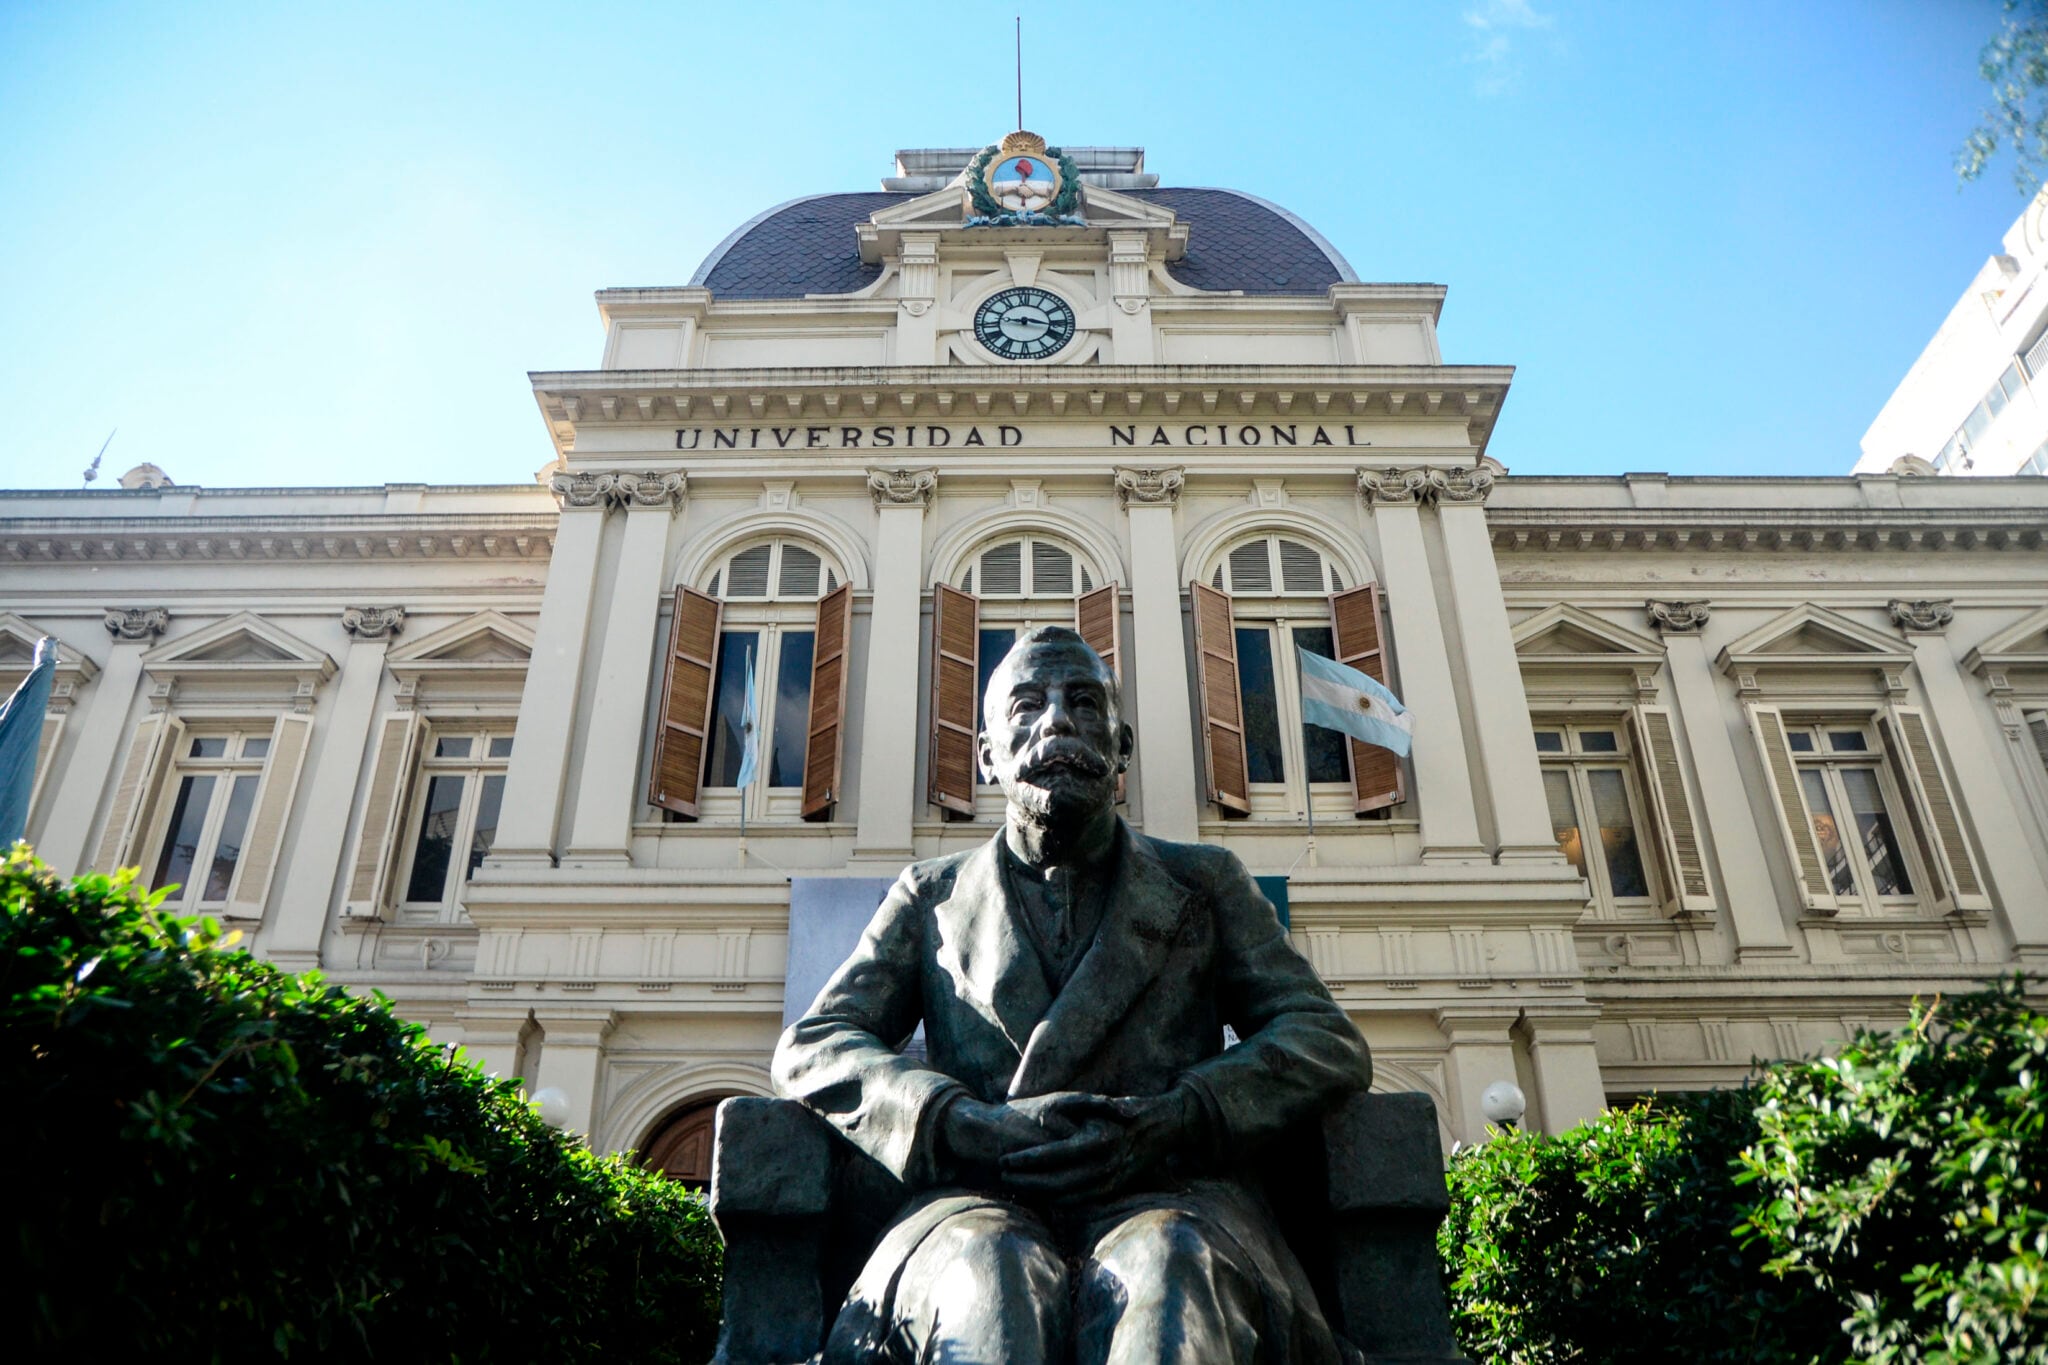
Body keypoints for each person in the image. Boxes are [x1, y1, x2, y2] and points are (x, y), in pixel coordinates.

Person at [773, 626, 1372, 1363]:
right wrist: (955, 1119)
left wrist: (1179, 1114)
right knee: (987, 1279)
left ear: (1119, 748)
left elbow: (1324, 1038)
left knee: (1168, 1270)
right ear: (989, 756)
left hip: (1171, 1195)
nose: (1057, 719)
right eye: (1028, 703)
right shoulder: (931, 896)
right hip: (978, 1200)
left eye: (1083, 702)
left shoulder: (1204, 883)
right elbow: (814, 1044)